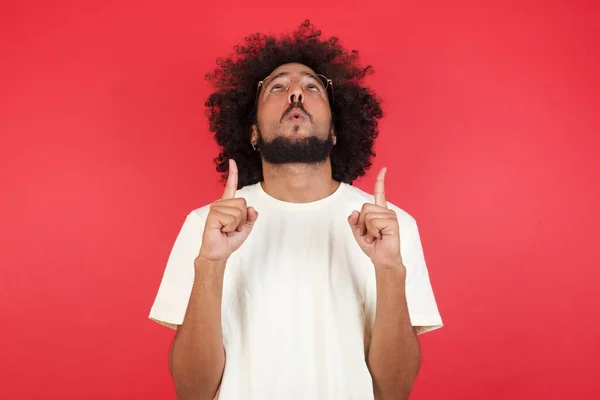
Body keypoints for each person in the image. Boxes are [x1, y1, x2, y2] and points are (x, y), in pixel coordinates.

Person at [149, 20, 443, 400]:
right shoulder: (206, 227)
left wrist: (389, 271)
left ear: (336, 130)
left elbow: (395, 391)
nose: (295, 94)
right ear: (253, 131)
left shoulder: (392, 228)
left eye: (311, 86)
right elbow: (192, 392)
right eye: (277, 87)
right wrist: (210, 263)